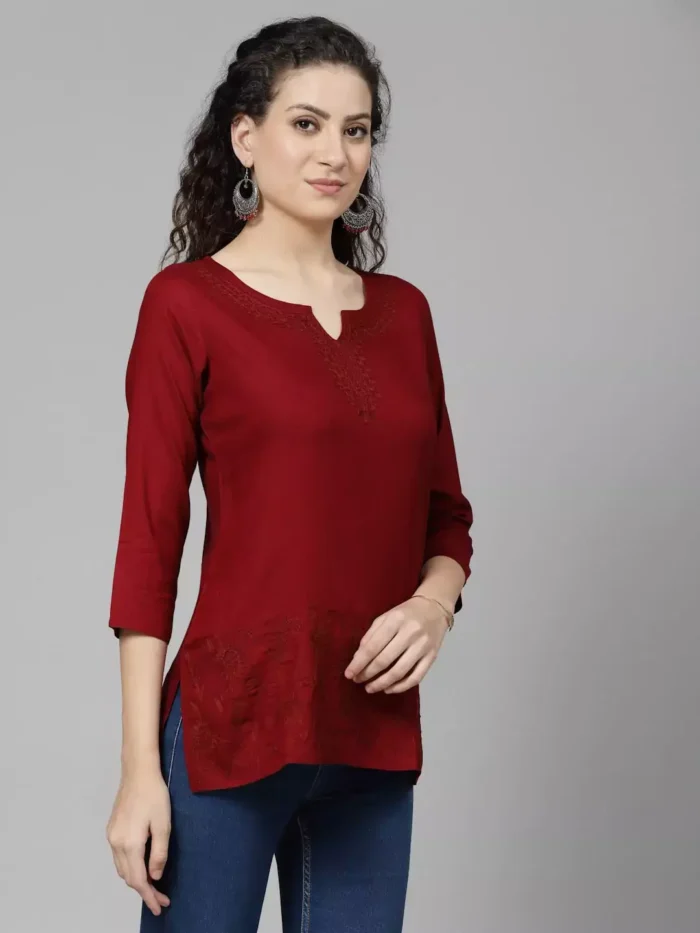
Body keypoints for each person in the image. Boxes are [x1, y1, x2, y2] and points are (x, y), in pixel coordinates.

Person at [105, 14, 474, 933]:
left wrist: (433, 606)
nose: (335, 154)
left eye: (357, 130)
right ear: (246, 135)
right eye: (306, 124)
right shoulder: (186, 305)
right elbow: (149, 546)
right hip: (230, 728)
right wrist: (140, 769)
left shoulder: (405, 314)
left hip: (371, 735)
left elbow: (447, 519)